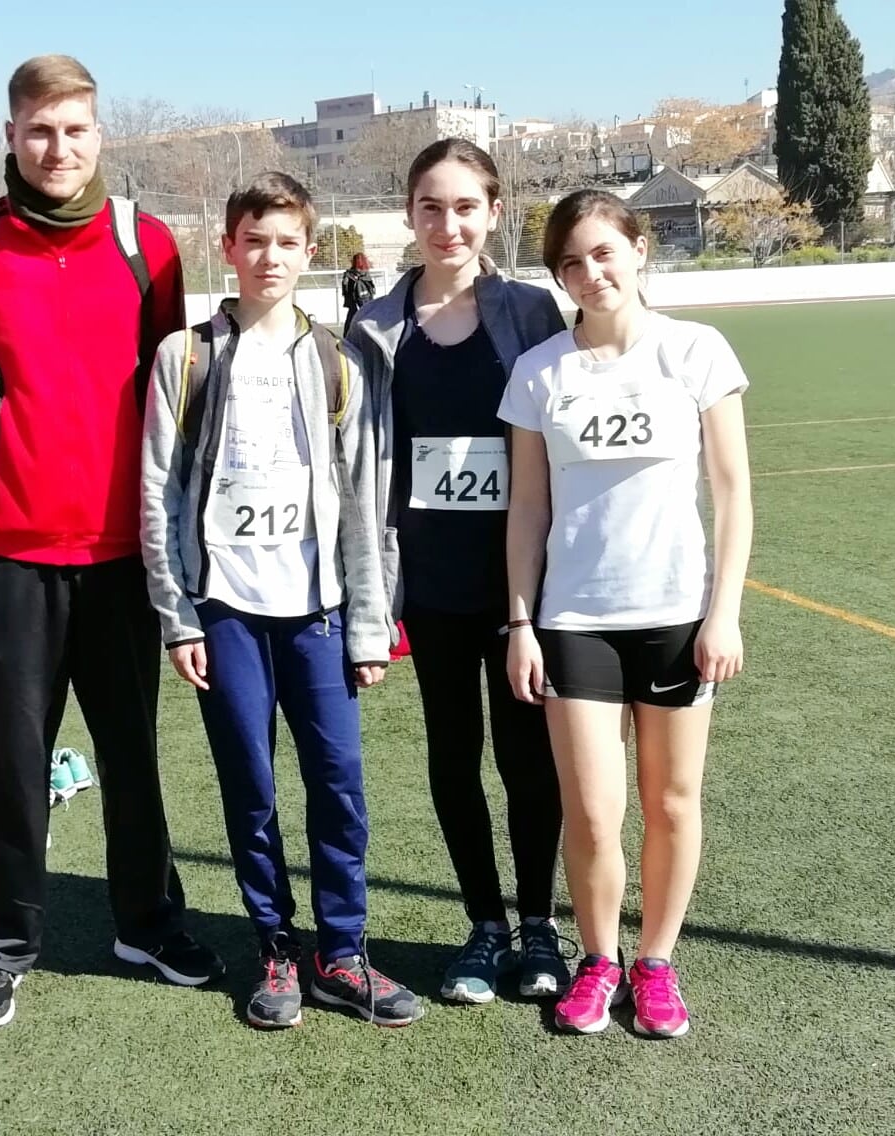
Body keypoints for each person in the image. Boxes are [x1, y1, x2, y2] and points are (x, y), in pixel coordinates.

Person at [0, 54, 221, 1031]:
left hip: (123, 554)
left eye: (74, 129)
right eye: (39, 130)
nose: (57, 148)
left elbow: (170, 385)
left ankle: (146, 922)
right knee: (11, 762)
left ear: (99, 134)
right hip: (11, 554)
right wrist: (1, 469)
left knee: (132, 754)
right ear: (11, 134)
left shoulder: (145, 243)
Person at [142, 171, 423, 1030]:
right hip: (224, 610)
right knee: (252, 786)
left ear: (310, 251)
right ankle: (275, 945)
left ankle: (342, 952)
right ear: (227, 246)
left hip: (319, 613)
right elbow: (158, 493)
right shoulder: (185, 357)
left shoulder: (340, 360)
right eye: (254, 240)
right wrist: (178, 616)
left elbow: (366, 501)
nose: (270, 257)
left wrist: (369, 623)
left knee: (338, 784)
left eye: (287, 242)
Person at [500, 189, 753, 1039]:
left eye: (604, 252)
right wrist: (522, 622)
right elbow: (527, 509)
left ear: (640, 249)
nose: (591, 273)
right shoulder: (539, 371)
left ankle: (656, 963)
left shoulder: (696, 351)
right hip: (575, 622)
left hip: (677, 617)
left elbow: (733, 494)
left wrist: (724, 613)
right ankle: (599, 960)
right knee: (591, 812)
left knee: (672, 803)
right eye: (571, 263)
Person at [347, 138, 570, 1006]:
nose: (448, 225)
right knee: (453, 755)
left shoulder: (532, 312)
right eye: (431, 207)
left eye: (466, 207)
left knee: (527, 757)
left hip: (521, 583)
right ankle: (483, 925)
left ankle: (539, 925)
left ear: (494, 212)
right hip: (430, 582)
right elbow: (359, 465)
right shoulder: (375, 328)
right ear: (409, 214)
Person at [340, 251, 376, 335]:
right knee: (368, 320)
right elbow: (372, 289)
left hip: (354, 302)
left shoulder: (349, 274)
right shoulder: (366, 274)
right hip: (366, 302)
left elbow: (345, 288)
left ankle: (347, 336)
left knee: (350, 320)